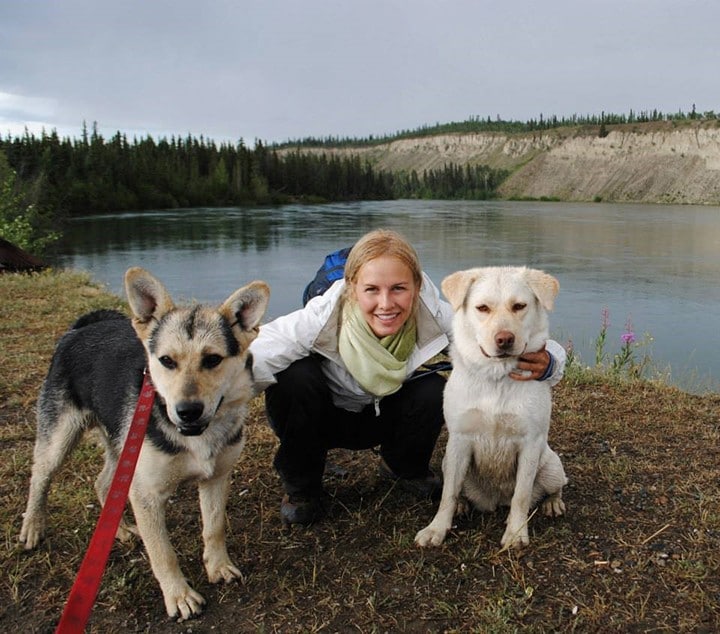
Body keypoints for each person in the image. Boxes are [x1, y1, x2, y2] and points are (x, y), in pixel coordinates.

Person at [250, 229, 566, 526]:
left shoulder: (431, 312)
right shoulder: (320, 317)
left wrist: (550, 361)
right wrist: (208, 401)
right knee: (294, 377)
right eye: (371, 289)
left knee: (431, 388)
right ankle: (303, 486)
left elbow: (501, 334)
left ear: (415, 287)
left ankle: (402, 467)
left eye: (398, 288)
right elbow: (254, 354)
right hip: (325, 417)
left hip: (385, 416)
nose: (386, 303)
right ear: (352, 287)